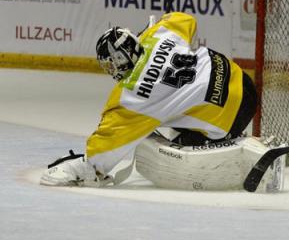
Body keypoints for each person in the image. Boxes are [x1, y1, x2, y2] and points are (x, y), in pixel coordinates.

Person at [40, 12, 259, 188]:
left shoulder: (130, 97)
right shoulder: (160, 34)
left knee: (161, 141)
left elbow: (103, 153)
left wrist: (80, 168)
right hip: (242, 80)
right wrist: (150, 32)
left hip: (231, 117)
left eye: (110, 64)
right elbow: (184, 18)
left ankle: (228, 143)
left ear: (118, 60)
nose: (111, 70)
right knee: (180, 104)